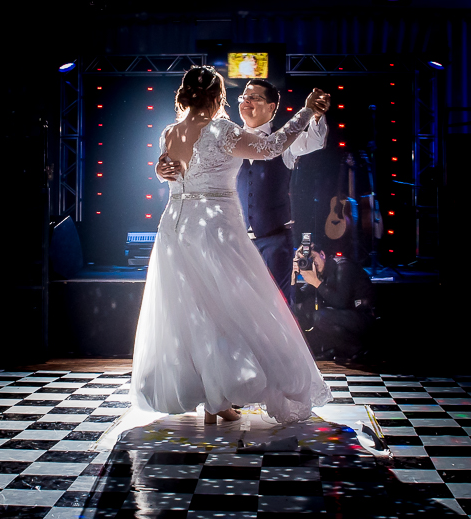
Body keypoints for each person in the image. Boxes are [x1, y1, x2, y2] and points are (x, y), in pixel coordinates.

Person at [131, 65, 332, 424]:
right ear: (218, 96)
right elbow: (270, 147)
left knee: (193, 311)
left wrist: (159, 172)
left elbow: (173, 172)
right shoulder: (221, 129)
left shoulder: (169, 132)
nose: (243, 101)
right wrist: (304, 111)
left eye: (254, 97)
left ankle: (214, 397)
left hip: (175, 228)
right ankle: (221, 394)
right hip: (214, 229)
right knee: (230, 308)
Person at [158, 79, 330, 298]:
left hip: (274, 240)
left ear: (271, 107)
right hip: (232, 239)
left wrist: (315, 115)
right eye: (243, 98)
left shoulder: (286, 140)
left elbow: (315, 141)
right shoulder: (225, 137)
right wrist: (160, 169)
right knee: (234, 302)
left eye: (254, 98)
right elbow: (191, 167)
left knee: (277, 301)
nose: (246, 102)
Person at [291, 246, 376, 362]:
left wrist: (316, 282)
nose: (312, 263)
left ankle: (358, 349)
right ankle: (339, 350)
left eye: (312, 257)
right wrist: (293, 279)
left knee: (321, 316)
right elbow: (299, 300)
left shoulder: (342, 266)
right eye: (307, 260)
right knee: (306, 308)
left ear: (322, 254)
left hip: (364, 317)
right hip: (345, 319)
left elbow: (341, 302)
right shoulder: (319, 273)